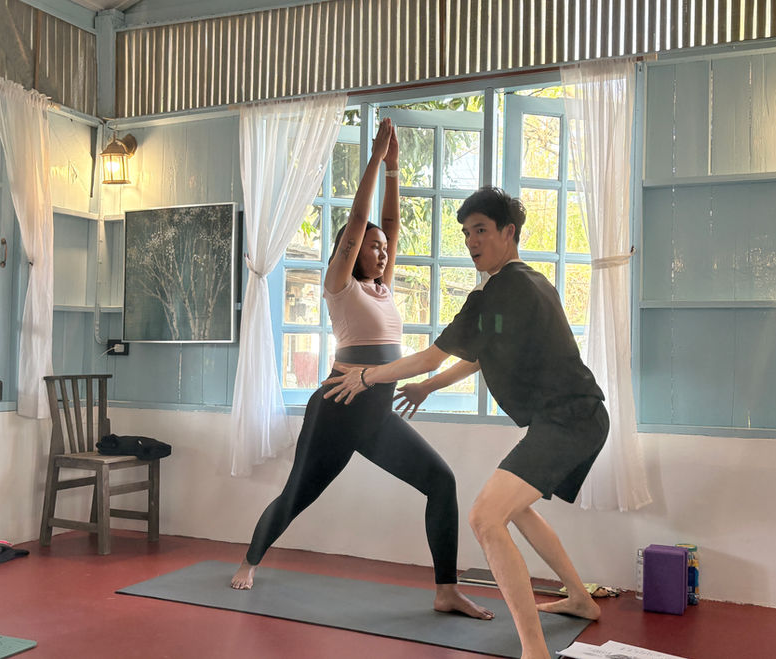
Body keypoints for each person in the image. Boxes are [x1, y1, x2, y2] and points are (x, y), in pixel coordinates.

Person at [324, 186, 609, 659]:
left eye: (481, 230)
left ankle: (535, 652)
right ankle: (580, 599)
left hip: (569, 420)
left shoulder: (502, 289)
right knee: (512, 508)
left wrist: (368, 375)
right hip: (576, 417)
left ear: (508, 232)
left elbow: (431, 356)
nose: (471, 241)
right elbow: (475, 357)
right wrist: (427, 389)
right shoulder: (527, 283)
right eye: (465, 233)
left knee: (483, 517)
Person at [230, 119, 493, 621]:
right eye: (372, 247)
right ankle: (249, 560)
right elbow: (360, 221)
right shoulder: (340, 284)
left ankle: (445, 589)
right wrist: (374, 160)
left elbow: (389, 227)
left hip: (376, 410)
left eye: (384, 248)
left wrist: (396, 169)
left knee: (441, 481)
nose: (382, 250)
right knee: (295, 496)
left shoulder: (381, 287)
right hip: (336, 407)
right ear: (350, 251)